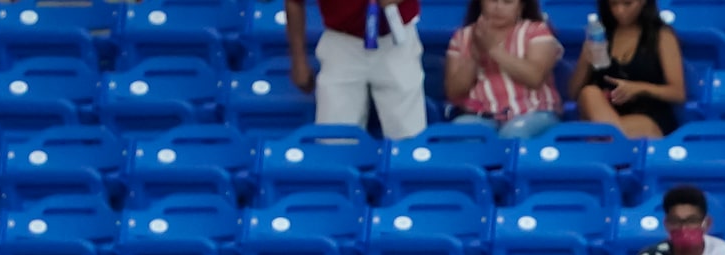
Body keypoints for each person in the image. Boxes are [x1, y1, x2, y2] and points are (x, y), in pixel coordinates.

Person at [284, 0, 429, 141]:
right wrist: (298, 61)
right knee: (334, 140)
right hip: (341, 44)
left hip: (395, 40)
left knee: (409, 139)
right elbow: (294, 2)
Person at [444, 0, 563, 137]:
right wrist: (475, 56)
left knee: (513, 133)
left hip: (533, 113)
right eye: (492, 0)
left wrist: (492, 49)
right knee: (460, 131)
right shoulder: (462, 36)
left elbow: (535, 77)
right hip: (479, 115)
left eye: (507, 2)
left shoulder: (537, 31)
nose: (498, 7)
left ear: (521, 6)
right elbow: (453, 91)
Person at [570, 0, 683, 137]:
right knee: (589, 93)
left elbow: (678, 93)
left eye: (627, 4)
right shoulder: (600, 35)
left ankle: (606, 141)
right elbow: (573, 93)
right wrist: (585, 60)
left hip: (647, 115)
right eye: (613, 5)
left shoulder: (661, 35)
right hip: (604, 113)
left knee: (600, 135)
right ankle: (612, 140)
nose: (620, 11)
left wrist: (638, 88)